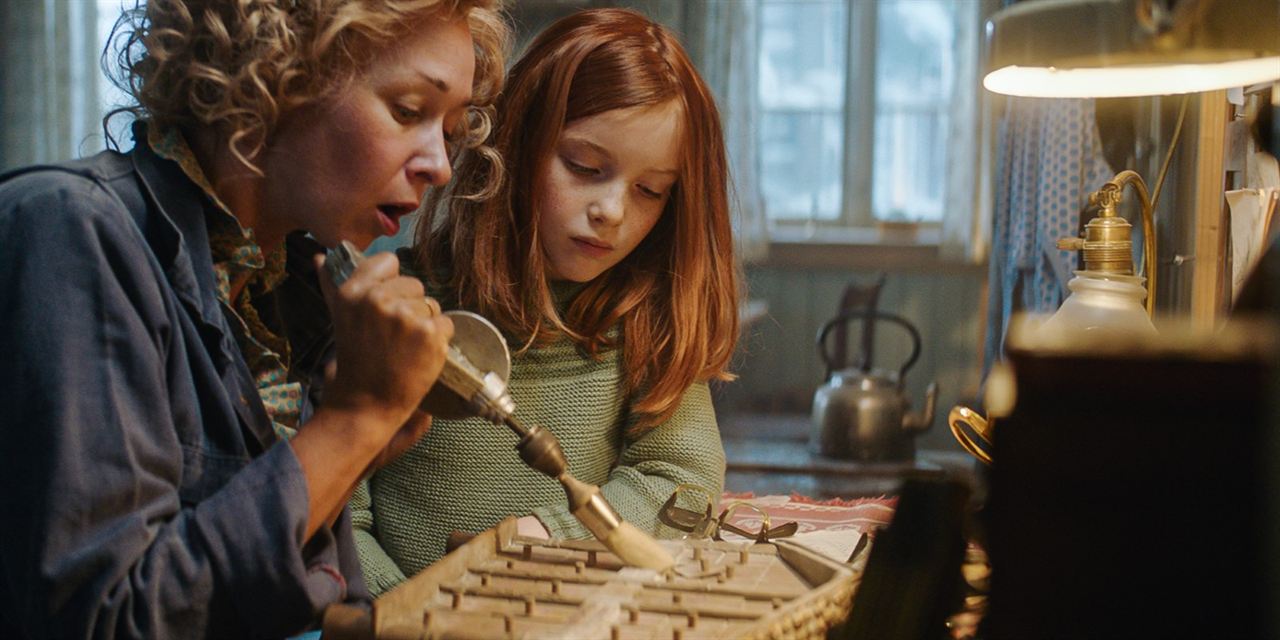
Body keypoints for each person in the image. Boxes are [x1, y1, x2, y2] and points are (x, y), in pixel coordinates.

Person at [0, 1, 509, 637]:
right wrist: (353, 423)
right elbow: (105, 622)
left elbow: (317, 606)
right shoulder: (69, 231)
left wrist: (347, 453)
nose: (439, 165)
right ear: (275, 74)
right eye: (408, 110)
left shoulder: (288, 290)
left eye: (452, 131)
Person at [352, 7, 740, 595]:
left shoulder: (644, 321)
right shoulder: (390, 308)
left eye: (650, 190)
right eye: (584, 167)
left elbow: (681, 479)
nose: (611, 210)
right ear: (508, 144)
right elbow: (335, 521)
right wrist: (416, 615)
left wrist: (547, 543)